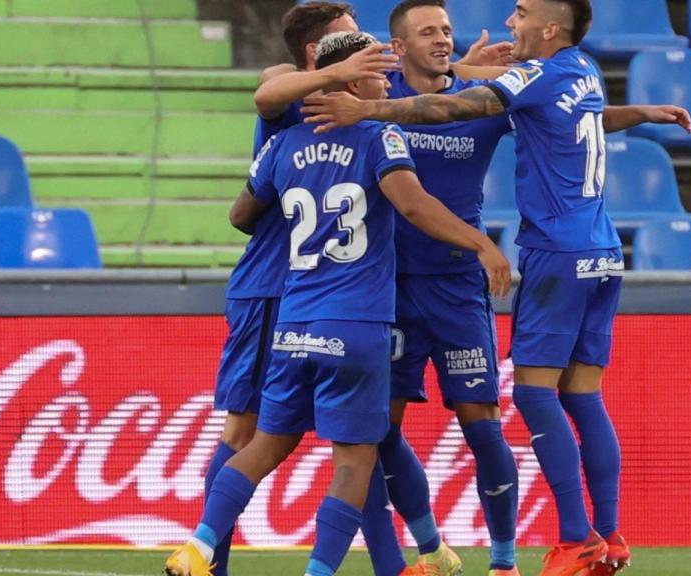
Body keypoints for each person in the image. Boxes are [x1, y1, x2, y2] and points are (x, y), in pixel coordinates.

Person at [300, 1, 691, 575]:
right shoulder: (578, 69)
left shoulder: (462, 91)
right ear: (400, 44)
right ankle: (594, 536)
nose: (510, 22)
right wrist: (643, 112)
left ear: (550, 27)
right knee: (572, 398)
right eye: (428, 31)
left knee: (517, 404)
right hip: (415, 281)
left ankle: (541, 551)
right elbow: (572, 113)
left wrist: (369, 110)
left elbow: (457, 104)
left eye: (521, 12)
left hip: (500, 269)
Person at [165, 31, 512, 576]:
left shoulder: (281, 145)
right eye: (377, 71)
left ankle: (199, 546)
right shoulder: (379, 136)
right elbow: (416, 207)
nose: (385, 83)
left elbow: (240, 214)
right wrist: (482, 243)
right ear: (350, 80)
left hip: (293, 322)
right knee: (354, 461)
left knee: (262, 447)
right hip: (356, 324)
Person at [206, 3, 404, 576]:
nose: (367, 46)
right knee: (246, 430)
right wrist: (334, 75)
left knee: (367, 440)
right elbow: (269, 88)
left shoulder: (361, 109)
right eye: (352, 38)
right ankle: (206, 559)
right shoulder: (292, 94)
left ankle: (391, 564)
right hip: (271, 286)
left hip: (320, 291)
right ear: (319, 51)